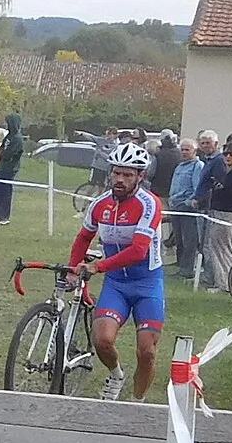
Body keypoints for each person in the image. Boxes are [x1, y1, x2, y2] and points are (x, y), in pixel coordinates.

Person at [67, 141, 165, 401]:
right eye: (116, 173)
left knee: (147, 351)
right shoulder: (100, 204)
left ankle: (137, 402)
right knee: (102, 340)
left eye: (127, 175)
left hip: (147, 283)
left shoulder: (149, 204)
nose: (119, 179)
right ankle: (116, 374)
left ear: (140, 177)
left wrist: (97, 266)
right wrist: (72, 269)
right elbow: (83, 238)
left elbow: (138, 251)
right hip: (116, 285)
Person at [203, 139, 232, 291]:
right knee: (217, 248)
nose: (228, 157)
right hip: (219, 212)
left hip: (227, 214)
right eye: (226, 154)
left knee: (225, 250)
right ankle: (222, 282)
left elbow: (228, 192)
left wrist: (217, 187)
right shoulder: (227, 172)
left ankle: (227, 284)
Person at [168, 138, 206, 285]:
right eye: (182, 149)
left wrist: (188, 201)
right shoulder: (180, 166)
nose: (184, 152)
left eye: (187, 150)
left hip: (187, 207)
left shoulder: (198, 166)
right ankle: (180, 265)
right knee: (178, 238)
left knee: (189, 239)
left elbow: (197, 187)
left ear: (194, 151)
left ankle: (187, 269)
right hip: (175, 206)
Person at [0, 111, 25, 223]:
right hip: (1, 167)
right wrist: (1, 152)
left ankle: (4, 216)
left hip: (9, 169)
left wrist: (2, 153)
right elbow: (1, 150)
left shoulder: (17, 139)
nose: (6, 125)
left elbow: (8, 154)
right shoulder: (9, 137)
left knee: (4, 192)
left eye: (8, 123)